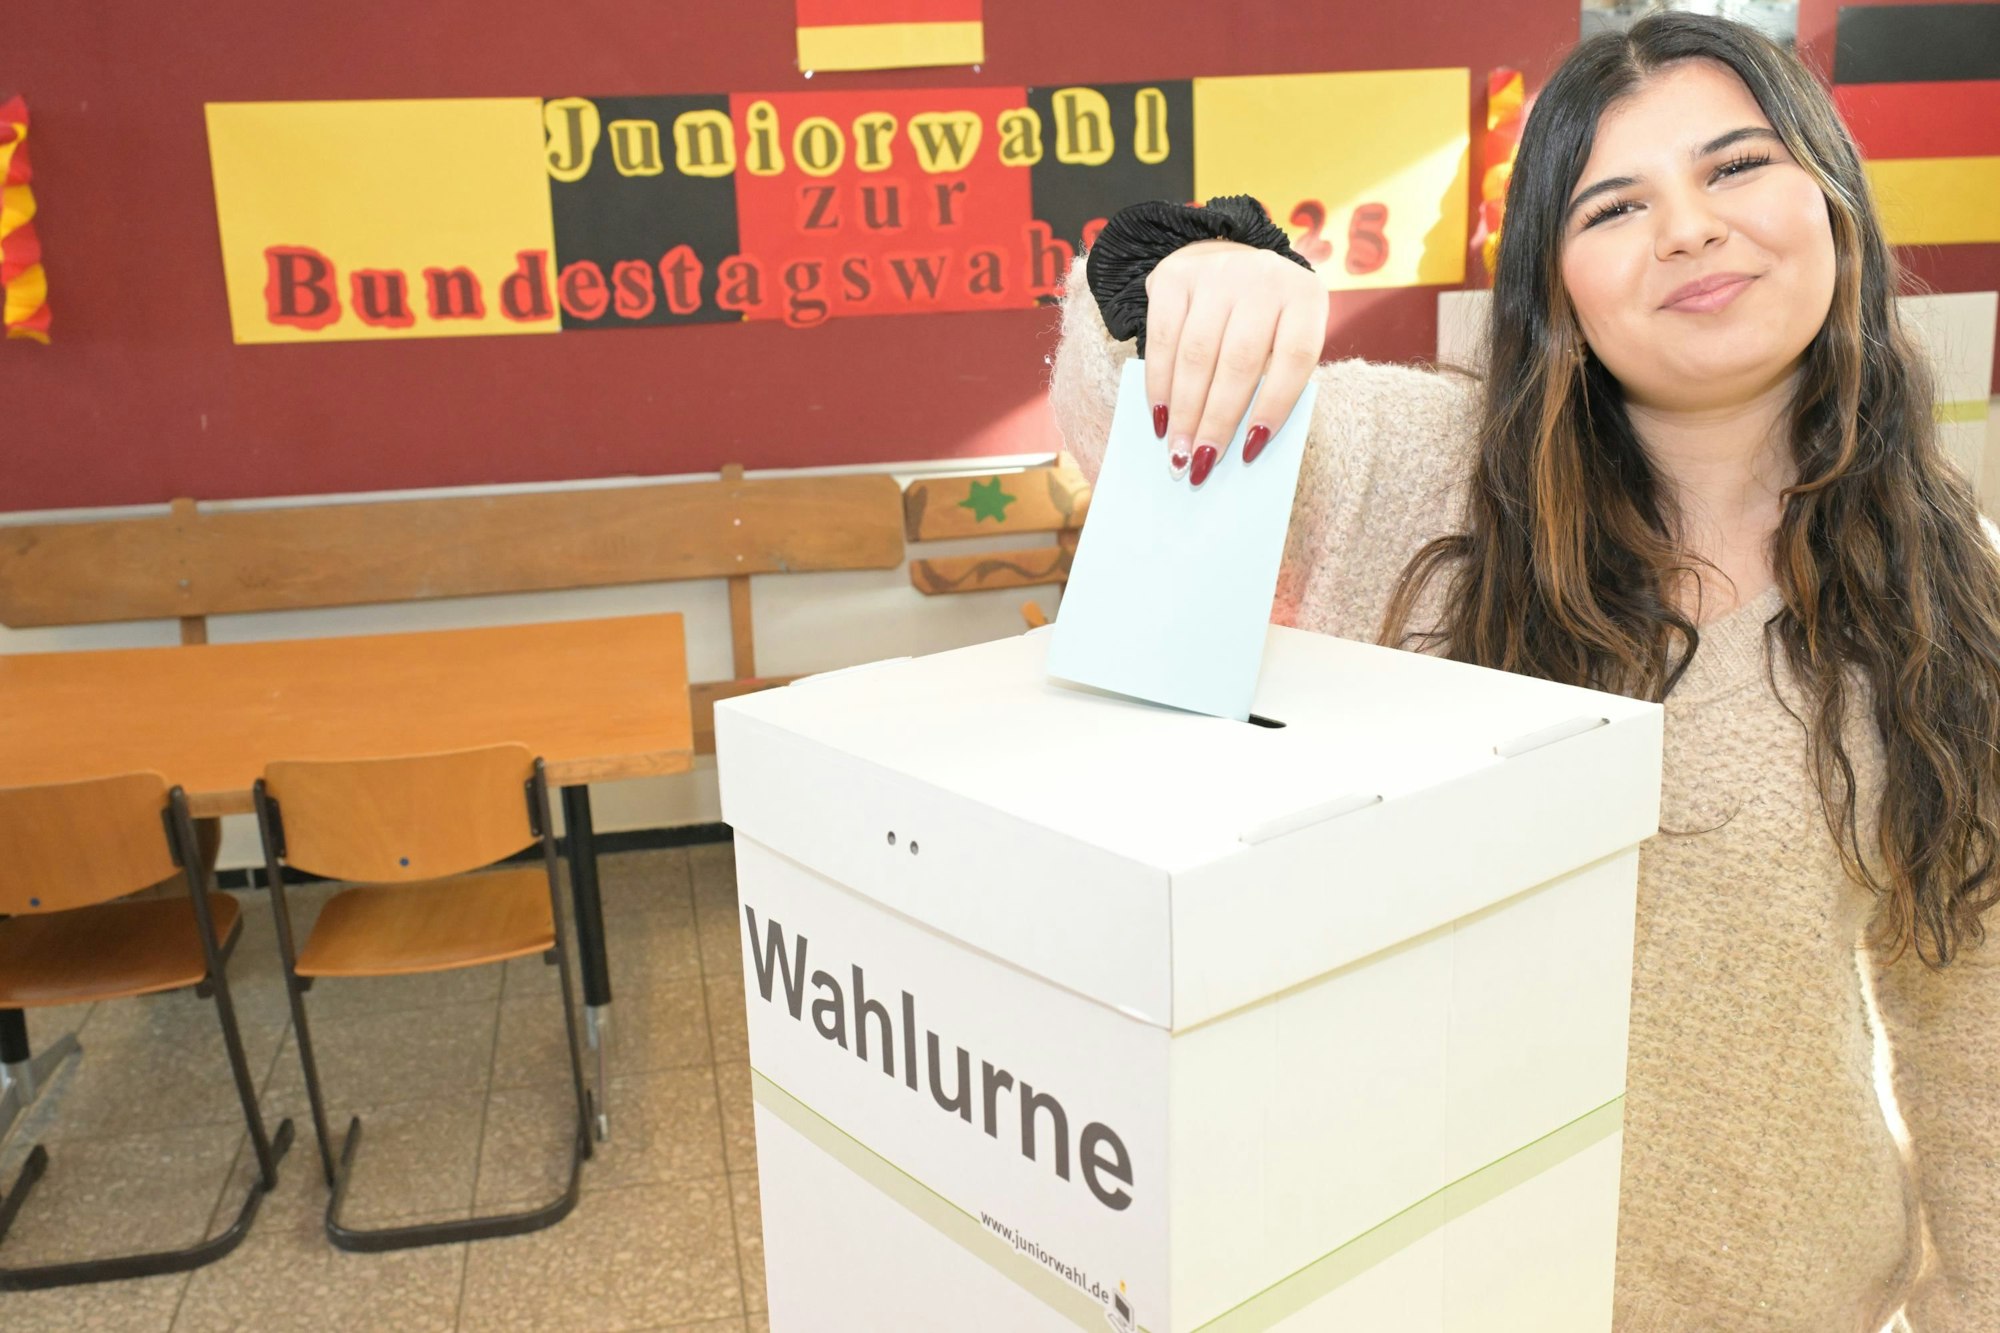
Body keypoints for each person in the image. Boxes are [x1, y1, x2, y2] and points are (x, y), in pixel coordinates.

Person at [1047, 13, 1999, 1331]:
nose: (1688, 228)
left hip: (1783, 1292)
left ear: (1831, 198)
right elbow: (1124, 406)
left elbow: (1973, 1028)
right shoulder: (1426, 479)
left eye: (1734, 168)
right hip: (1421, 1281)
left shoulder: (1954, 588)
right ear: (1556, 284)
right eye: (1616, 205)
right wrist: (1207, 276)